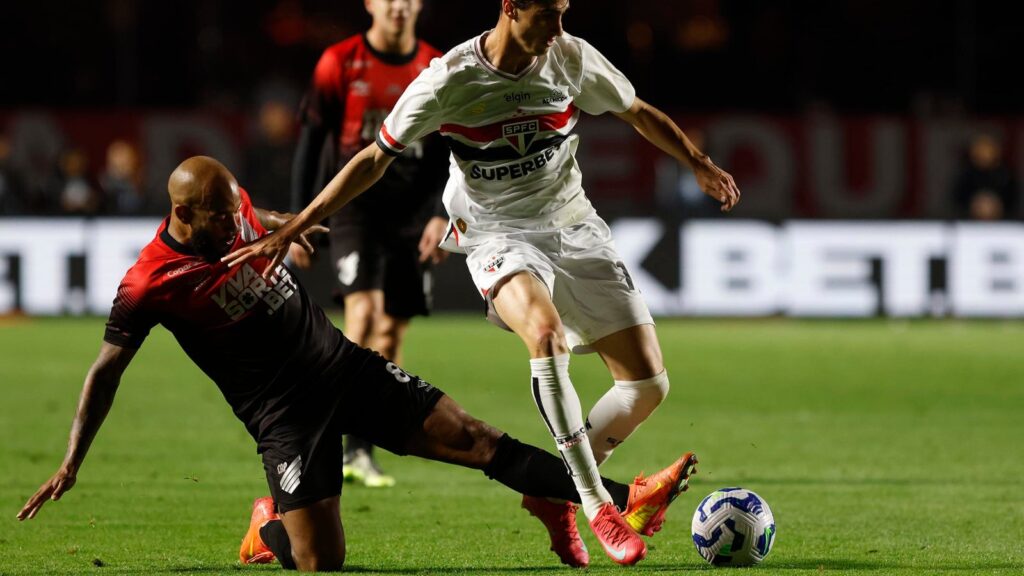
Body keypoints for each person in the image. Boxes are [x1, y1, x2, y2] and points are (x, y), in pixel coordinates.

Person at [223, 0, 735, 565]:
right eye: (549, 14)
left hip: (574, 226)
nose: (559, 27)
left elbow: (637, 110)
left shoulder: (569, 57)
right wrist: (295, 222)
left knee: (647, 386)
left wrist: (698, 162)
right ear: (511, 8)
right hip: (497, 234)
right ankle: (596, 504)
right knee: (544, 336)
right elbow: (374, 157)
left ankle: (549, 492)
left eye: (564, 12)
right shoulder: (451, 78)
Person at [17, 156, 696, 571]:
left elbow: (262, 214)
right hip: (283, 417)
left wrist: (292, 221)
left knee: (478, 439)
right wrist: (73, 461)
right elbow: (105, 370)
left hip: (343, 365)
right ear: (182, 213)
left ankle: (623, 500)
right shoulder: (149, 281)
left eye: (238, 212)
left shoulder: (233, 207)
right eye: (223, 221)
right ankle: (267, 527)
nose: (237, 226)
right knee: (322, 562)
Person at [288, 0, 451, 488]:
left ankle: (361, 447)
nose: (398, 6)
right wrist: (301, 219)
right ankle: (334, 443)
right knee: (363, 317)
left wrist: (445, 213)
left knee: (392, 336)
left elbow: (455, 147)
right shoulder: (339, 62)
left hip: (414, 215)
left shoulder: (439, 67)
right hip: (357, 209)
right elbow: (312, 142)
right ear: (369, 4)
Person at [952, 133, 1018, 221]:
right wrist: (975, 205)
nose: (984, 153)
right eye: (981, 149)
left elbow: (1013, 200)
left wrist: (996, 205)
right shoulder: (966, 175)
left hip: (1002, 223)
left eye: (988, 149)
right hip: (969, 222)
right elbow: (957, 200)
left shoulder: (1005, 175)